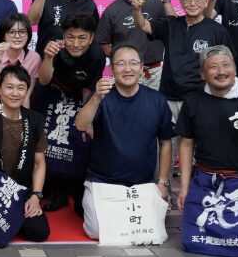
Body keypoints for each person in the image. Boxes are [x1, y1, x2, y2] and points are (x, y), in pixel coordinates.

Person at [176, 46, 238, 257]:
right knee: (195, 243)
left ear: (235, 69)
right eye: (213, 67)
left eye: (226, 65)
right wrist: (183, 188)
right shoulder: (193, 101)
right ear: (202, 74)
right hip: (205, 181)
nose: (221, 71)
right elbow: (186, 144)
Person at [74, 45, 175, 240]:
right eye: (120, 64)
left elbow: (166, 142)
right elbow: (80, 125)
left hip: (143, 183)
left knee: (153, 232)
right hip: (103, 181)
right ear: (111, 68)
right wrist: (96, 97)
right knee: (96, 231)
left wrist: (162, 181)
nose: (127, 69)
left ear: (142, 67)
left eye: (133, 63)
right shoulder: (101, 96)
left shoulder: (157, 100)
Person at [133, 0, 235, 124]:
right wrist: (137, 10)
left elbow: (229, 64)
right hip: (169, 97)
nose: (192, 3)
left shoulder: (217, 30)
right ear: (180, 2)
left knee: (198, 138)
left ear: (206, 1)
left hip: (202, 98)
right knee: (169, 137)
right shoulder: (170, 24)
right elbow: (143, 25)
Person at [0, 65, 50, 244]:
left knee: (39, 231)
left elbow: (39, 163)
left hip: (18, 188)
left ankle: (6, 218)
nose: (15, 93)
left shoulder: (35, 120)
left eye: (21, 88)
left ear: (27, 91)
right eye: (9, 87)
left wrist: (36, 196)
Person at [34, 11, 105, 214]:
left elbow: (88, 90)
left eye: (82, 38)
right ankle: (55, 191)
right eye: (70, 37)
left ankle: (75, 188)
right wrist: (48, 57)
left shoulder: (97, 55)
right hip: (51, 92)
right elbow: (44, 80)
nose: (75, 44)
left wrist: (86, 117)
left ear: (91, 37)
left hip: (78, 97)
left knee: (77, 137)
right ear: (63, 35)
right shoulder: (54, 46)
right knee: (49, 139)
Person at [95, 0, 173, 91]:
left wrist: (166, 1)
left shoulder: (157, 3)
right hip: (125, 73)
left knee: (156, 104)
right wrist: (121, 60)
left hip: (155, 73)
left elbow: (175, 27)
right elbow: (103, 43)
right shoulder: (111, 10)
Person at [0, 13, 40, 108]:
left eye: (22, 32)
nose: (17, 36)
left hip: (17, 109)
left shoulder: (34, 58)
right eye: (12, 32)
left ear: (28, 35)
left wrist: (24, 116)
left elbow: (26, 96)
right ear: (3, 35)